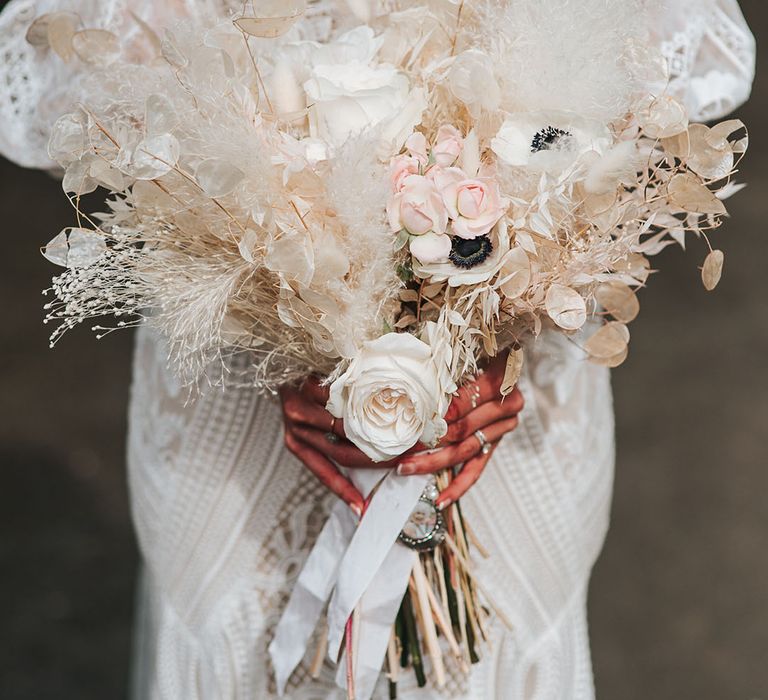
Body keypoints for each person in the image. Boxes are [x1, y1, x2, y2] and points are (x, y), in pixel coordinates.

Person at [0, 1, 754, 698]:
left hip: (512, 315)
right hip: (236, 322)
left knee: (503, 639)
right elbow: (116, 60)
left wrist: (489, 318)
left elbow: (630, 55)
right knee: (243, 639)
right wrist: (286, 316)